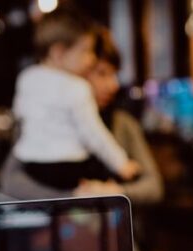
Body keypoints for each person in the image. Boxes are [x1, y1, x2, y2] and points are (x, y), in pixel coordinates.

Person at [0, 28, 163, 204]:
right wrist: (73, 199)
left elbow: (154, 187)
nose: (114, 84)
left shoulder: (123, 123)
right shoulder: (42, 123)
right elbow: (9, 181)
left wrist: (116, 191)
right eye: (102, 73)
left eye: (115, 74)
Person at [10, 8, 140, 191]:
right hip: (66, 167)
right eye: (86, 51)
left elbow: (20, 112)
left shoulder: (26, 77)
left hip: (31, 163)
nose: (91, 59)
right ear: (58, 53)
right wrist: (121, 164)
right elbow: (95, 134)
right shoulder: (77, 87)